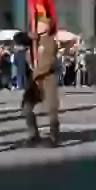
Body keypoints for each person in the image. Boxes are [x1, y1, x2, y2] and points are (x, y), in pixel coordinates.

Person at [22, 17, 60, 148]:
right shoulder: (32, 41)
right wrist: (28, 37)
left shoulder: (50, 41)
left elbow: (49, 63)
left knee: (51, 107)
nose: (37, 26)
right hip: (35, 81)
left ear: (47, 27)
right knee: (27, 106)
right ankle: (34, 134)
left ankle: (54, 136)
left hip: (47, 78)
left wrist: (35, 73)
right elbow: (17, 38)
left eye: (40, 24)